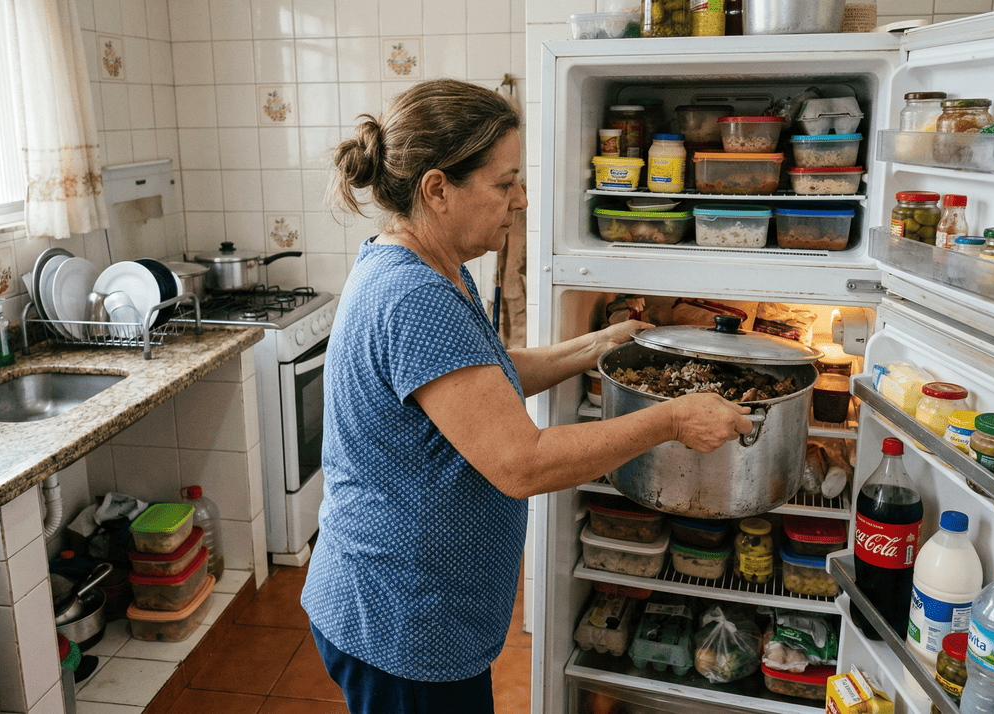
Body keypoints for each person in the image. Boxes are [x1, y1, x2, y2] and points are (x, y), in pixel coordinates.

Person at [301, 78, 753, 714]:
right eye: (504, 183)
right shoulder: (415, 298)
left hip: (403, 603)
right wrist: (672, 419)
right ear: (437, 189)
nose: (521, 199)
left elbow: (481, 377)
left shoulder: (424, 265)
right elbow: (522, 462)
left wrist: (594, 347)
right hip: (403, 621)